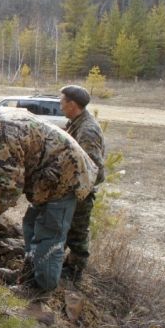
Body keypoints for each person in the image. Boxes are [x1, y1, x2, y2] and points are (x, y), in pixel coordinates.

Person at [0, 106, 97, 294]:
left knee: (48, 232)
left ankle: (40, 289)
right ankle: (30, 274)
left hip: (66, 178)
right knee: (30, 224)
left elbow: (9, 189)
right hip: (49, 177)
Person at [59, 85, 105, 281]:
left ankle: (73, 276)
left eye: (62, 101)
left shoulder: (87, 130)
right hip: (72, 190)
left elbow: (94, 169)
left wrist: (74, 187)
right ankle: (63, 270)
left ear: (73, 104)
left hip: (81, 193)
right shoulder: (75, 123)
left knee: (77, 236)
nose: (60, 105)